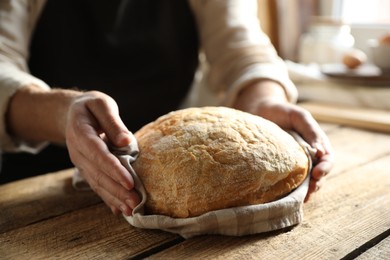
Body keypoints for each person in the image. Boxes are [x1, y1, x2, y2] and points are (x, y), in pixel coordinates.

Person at [0, 0, 334, 216]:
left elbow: (243, 51)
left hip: (181, 174)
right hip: (34, 191)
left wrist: (264, 103)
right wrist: (62, 112)